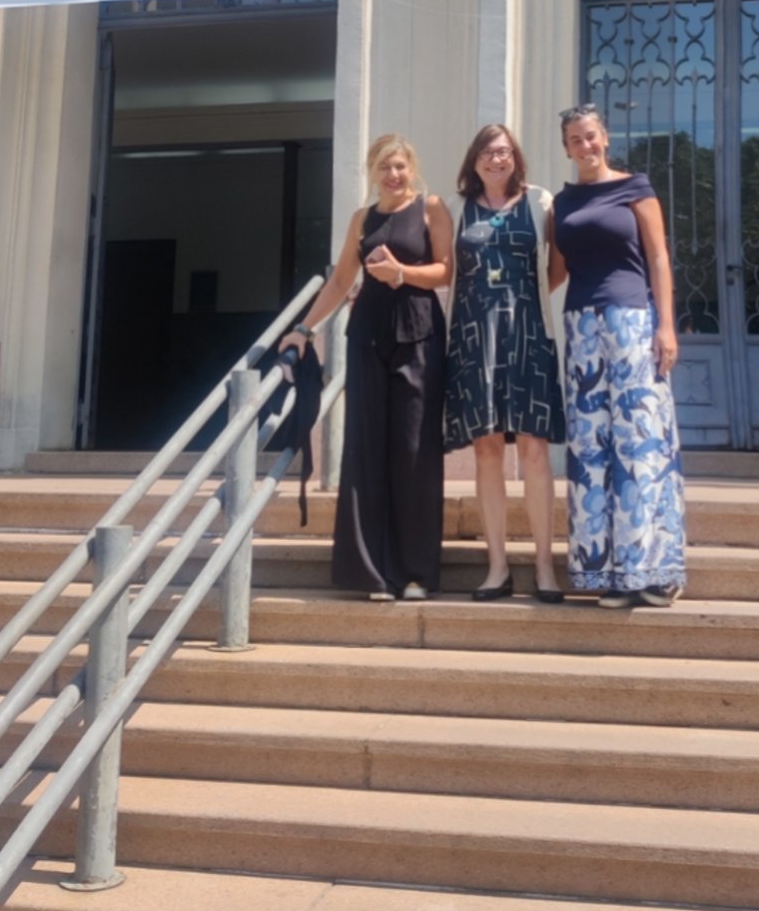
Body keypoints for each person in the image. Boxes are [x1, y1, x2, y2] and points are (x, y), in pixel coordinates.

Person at [280, 133, 452, 602]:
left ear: (411, 167)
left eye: (399, 166)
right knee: (367, 446)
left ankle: (416, 573)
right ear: (372, 171)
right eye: (384, 167)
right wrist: (305, 329)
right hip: (368, 336)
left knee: (415, 449)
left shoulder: (431, 207)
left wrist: (401, 274)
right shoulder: (362, 218)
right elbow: (340, 281)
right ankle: (372, 572)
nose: (393, 175)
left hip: (419, 334)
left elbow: (446, 270)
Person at [549, 104, 685, 608]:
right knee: (591, 452)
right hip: (581, 327)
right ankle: (605, 572)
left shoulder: (636, 188)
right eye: (574, 140)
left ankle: (654, 572)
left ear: (604, 139)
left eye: (591, 137)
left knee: (642, 446)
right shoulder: (560, 203)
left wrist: (666, 325)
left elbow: (658, 257)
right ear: (565, 148)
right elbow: (555, 271)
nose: (585, 146)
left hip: (632, 320)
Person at [444, 124, 566, 604]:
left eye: (504, 152)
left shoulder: (541, 203)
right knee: (487, 451)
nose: (496, 160)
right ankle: (496, 566)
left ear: (516, 157)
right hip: (473, 341)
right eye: (487, 153)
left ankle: (544, 565)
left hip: (529, 336)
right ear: (473, 160)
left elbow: (557, 267)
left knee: (535, 449)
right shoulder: (453, 208)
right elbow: (443, 269)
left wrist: (521, 305)